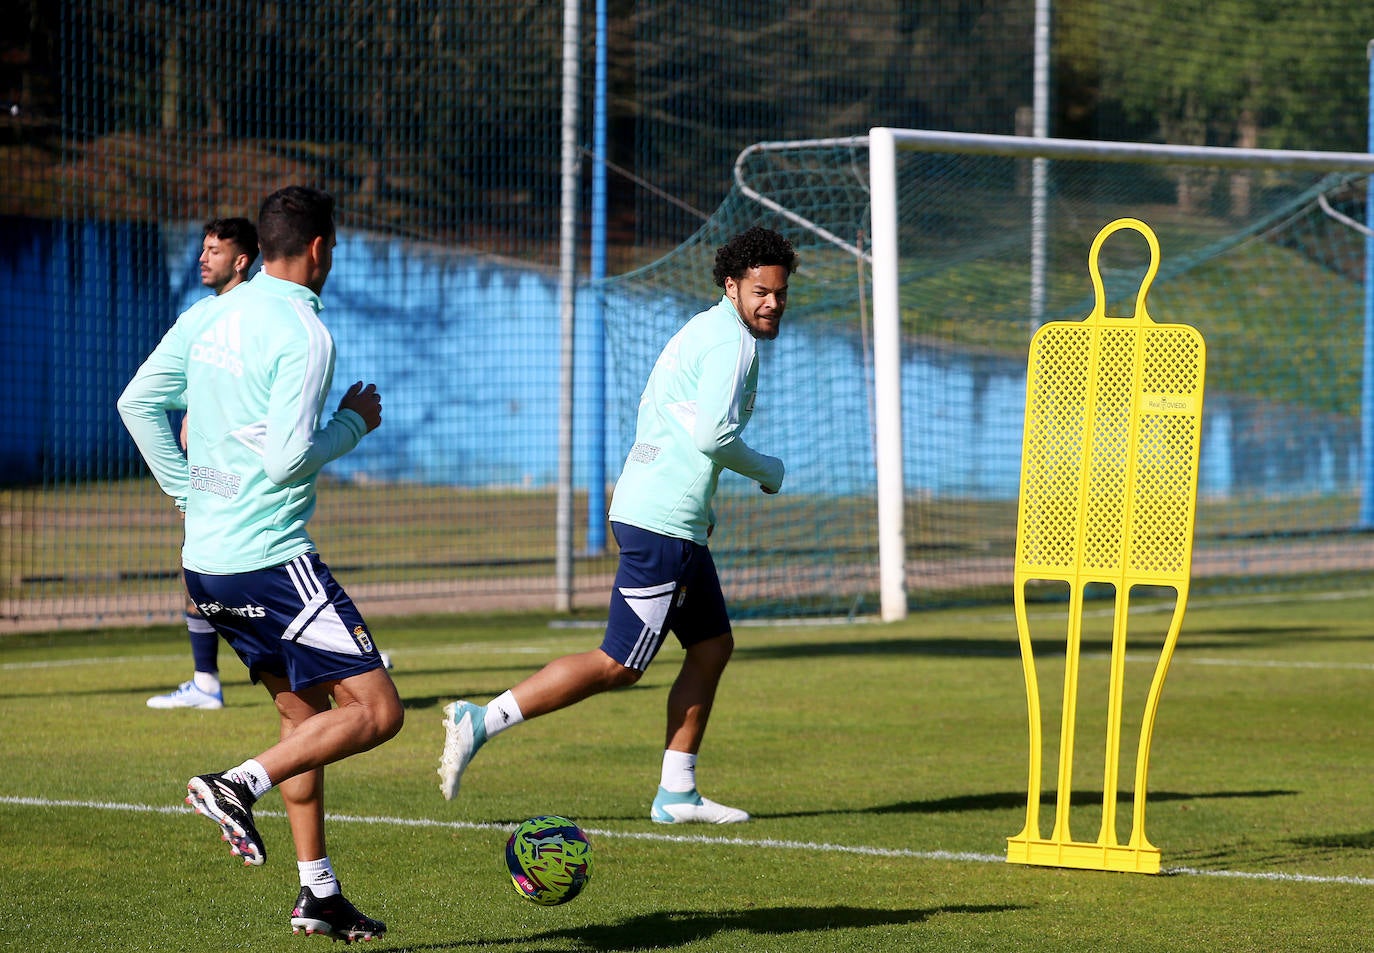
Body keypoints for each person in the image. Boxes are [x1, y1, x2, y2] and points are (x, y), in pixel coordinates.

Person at [438, 225, 798, 824]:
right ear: (731, 285)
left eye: (781, 293)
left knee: (712, 647)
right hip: (663, 523)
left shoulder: (706, 329)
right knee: (620, 664)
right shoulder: (731, 342)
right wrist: (770, 469)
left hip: (663, 515)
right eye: (761, 291)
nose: (772, 303)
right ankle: (482, 719)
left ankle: (677, 792)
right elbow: (713, 436)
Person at [117, 186, 402, 941]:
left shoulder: (209, 314)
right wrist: (352, 424)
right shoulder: (305, 333)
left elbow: (135, 403)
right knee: (376, 711)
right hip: (271, 561)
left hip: (205, 564)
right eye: (332, 247)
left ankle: (319, 892)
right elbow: (283, 463)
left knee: (300, 720)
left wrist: (186, 493)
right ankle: (233, 782)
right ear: (318, 249)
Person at [147, 217, 259, 710]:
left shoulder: (257, 313)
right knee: (197, 566)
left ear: (241, 260)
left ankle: (334, 650)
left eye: (215, 250)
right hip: (209, 468)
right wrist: (194, 402)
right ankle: (207, 680)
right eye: (202, 247)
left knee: (253, 565)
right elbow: (208, 375)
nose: (202, 257)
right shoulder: (201, 315)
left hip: (247, 467)